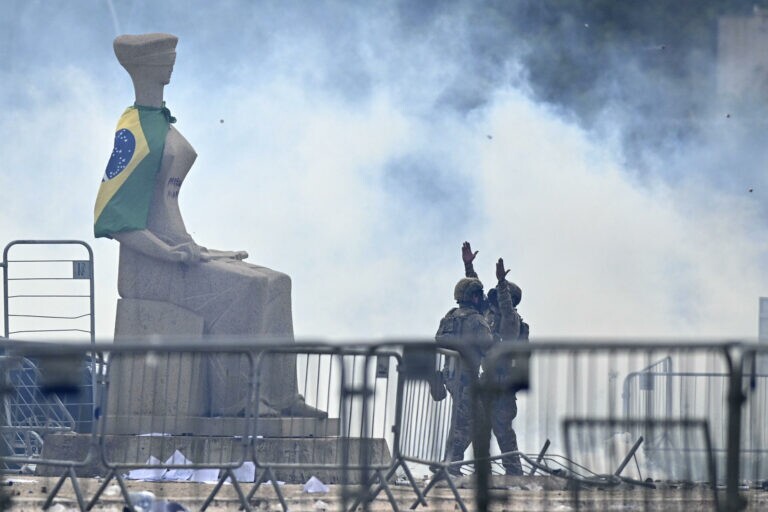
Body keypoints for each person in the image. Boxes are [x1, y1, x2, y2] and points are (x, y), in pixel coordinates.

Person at [95, 33, 323, 418]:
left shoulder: (160, 122)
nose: (171, 62)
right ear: (142, 66)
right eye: (163, 57)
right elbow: (113, 219)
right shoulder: (133, 131)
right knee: (247, 288)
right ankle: (239, 403)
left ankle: (284, 397)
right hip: (147, 265)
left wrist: (204, 251)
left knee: (278, 282)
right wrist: (167, 253)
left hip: (177, 248)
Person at [462, 241, 527, 476]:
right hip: (487, 379)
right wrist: (469, 267)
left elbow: (506, 306)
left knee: (503, 431)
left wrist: (501, 283)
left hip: (504, 384)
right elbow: (474, 295)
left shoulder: (512, 320)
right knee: (480, 425)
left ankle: (514, 473)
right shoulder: (489, 315)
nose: (493, 301)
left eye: (500, 297)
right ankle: (484, 472)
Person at [435, 276, 493, 476]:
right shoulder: (477, 320)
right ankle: (450, 465)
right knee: (470, 422)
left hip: (450, 375)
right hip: (467, 378)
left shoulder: (450, 316)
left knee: (465, 420)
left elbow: (439, 340)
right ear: (474, 297)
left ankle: (450, 463)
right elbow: (489, 348)